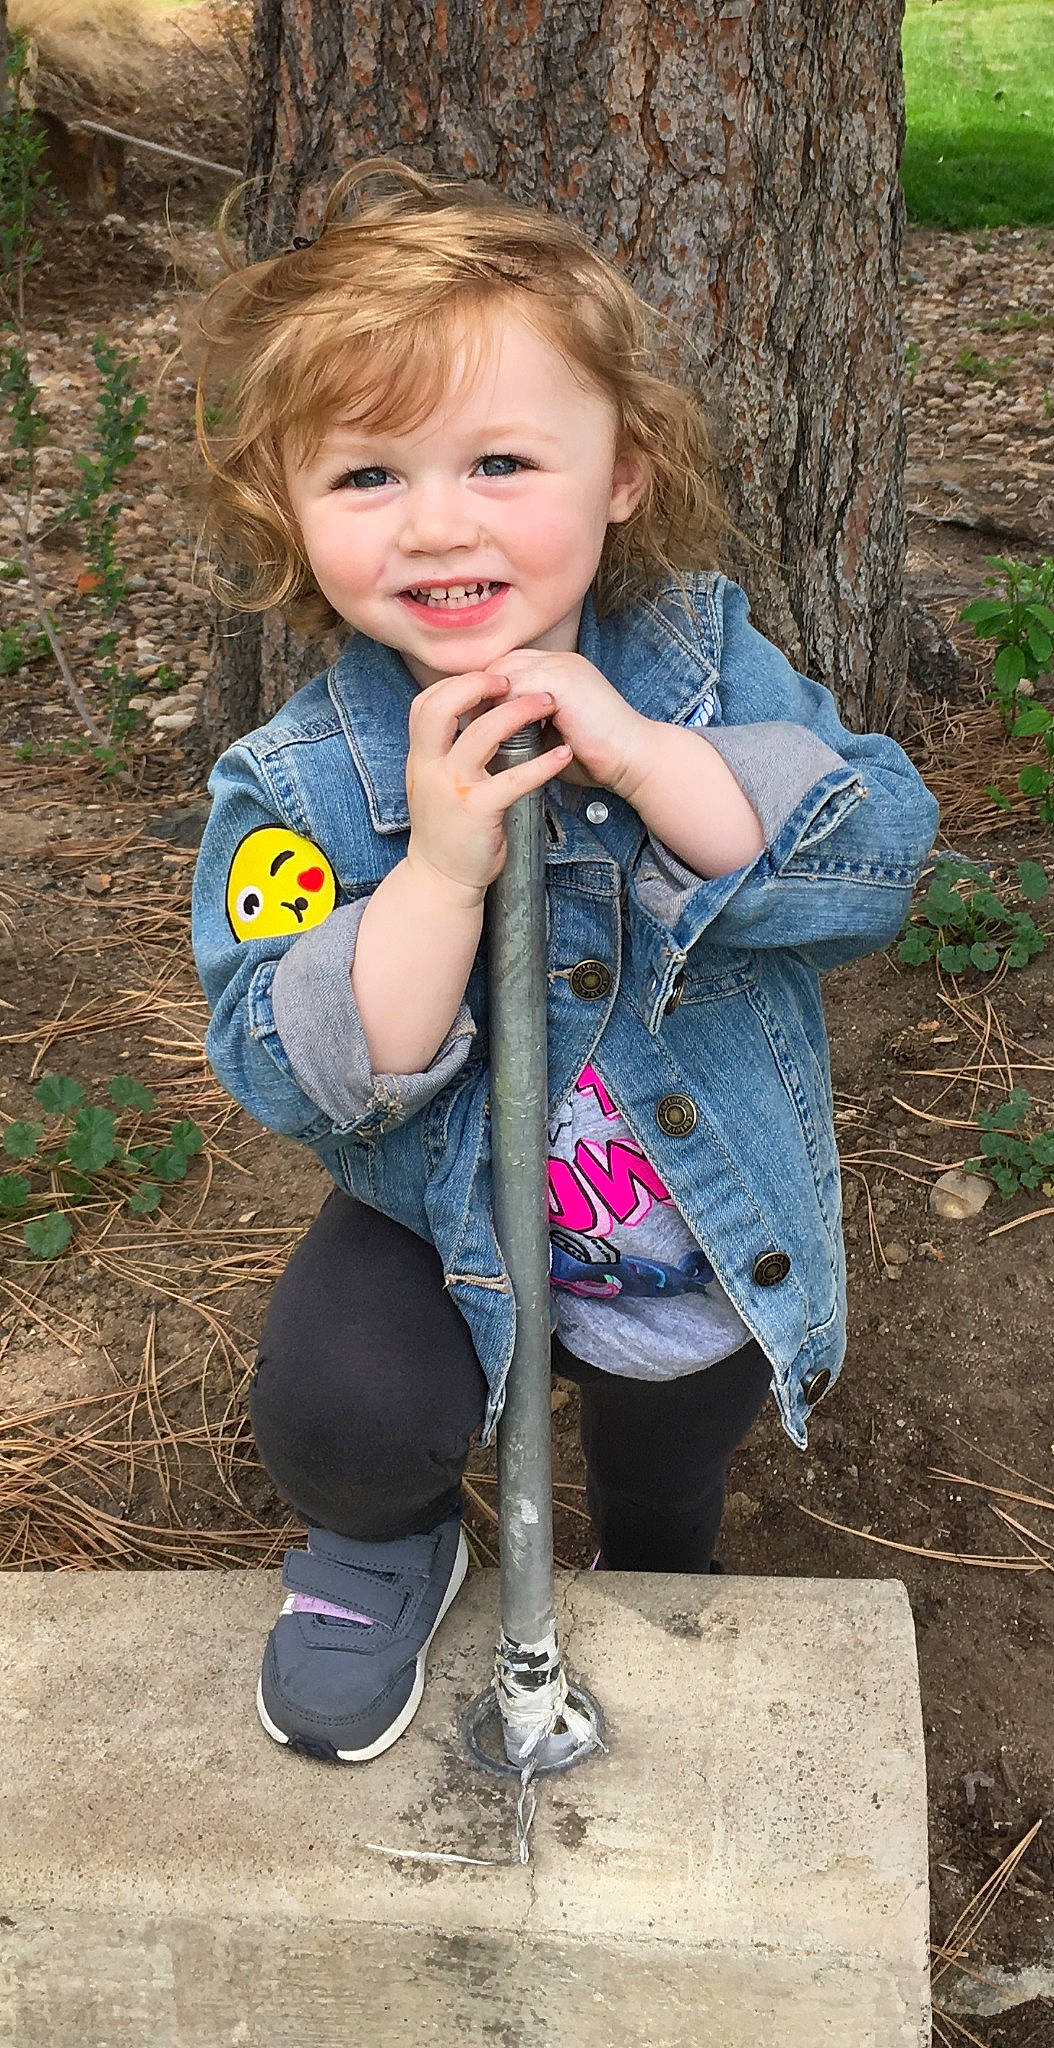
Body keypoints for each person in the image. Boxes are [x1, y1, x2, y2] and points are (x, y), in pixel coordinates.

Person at [188, 156, 939, 1766]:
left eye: (501, 461)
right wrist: (440, 872)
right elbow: (299, 1071)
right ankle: (383, 1550)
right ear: (287, 508)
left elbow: (866, 863)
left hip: (689, 1210)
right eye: (366, 474)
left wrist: (653, 759)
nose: (436, 522)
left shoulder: (699, 660)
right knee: (340, 1402)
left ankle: (653, 1553)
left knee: (670, 1443)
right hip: (437, 1213)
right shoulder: (299, 777)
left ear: (621, 473)